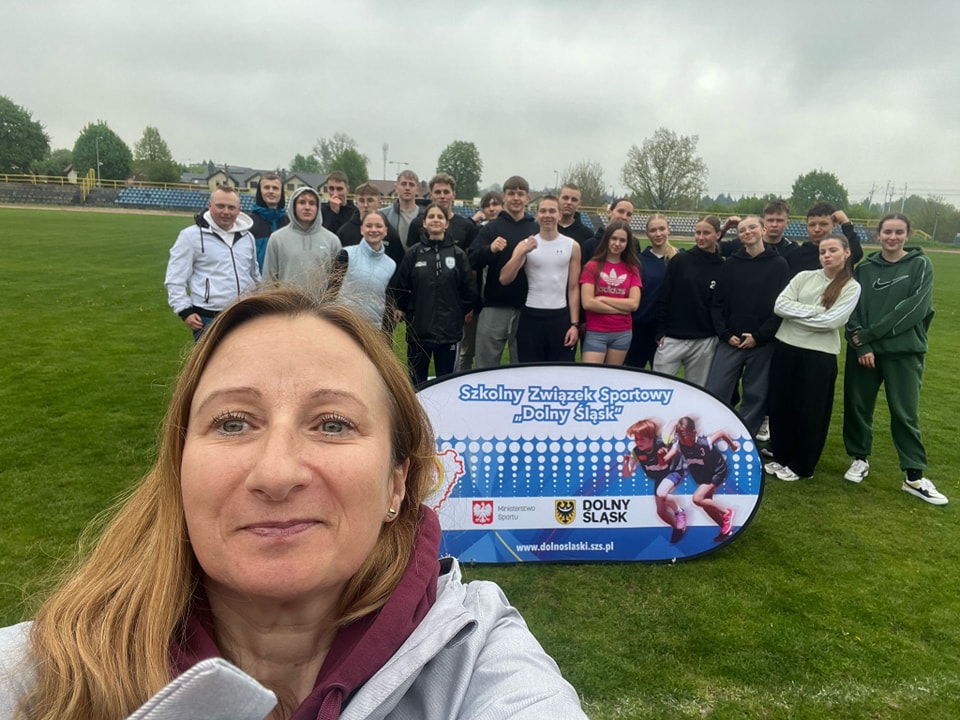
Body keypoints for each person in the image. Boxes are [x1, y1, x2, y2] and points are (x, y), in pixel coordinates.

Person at [0, 286, 587, 719]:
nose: (276, 474)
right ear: (178, 468)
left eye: (332, 424)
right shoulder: (38, 672)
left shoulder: (476, 652)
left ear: (397, 484)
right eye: (233, 423)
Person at [841, 213, 946, 505]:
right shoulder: (865, 268)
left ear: (907, 235)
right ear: (879, 235)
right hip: (865, 353)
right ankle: (859, 458)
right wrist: (862, 346)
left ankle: (914, 476)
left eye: (899, 232)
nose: (893, 237)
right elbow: (851, 308)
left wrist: (870, 335)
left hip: (904, 351)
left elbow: (915, 309)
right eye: (887, 231)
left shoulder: (920, 264)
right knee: (858, 406)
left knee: (905, 412)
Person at [763, 234, 861, 482]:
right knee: (781, 406)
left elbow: (832, 322)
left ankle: (802, 466)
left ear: (847, 252)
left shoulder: (851, 286)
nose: (826, 255)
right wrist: (816, 311)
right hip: (786, 348)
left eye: (832, 250)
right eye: (823, 251)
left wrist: (797, 316)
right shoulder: (804, 277)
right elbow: (780, 306)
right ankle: (782, 457)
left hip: (818, 356)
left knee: (811, 411)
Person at [705, 216, 790, 436]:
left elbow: (781, 306)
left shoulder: (779, 264)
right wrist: (725, 334)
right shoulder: (731, 264)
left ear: (763, 230)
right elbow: (717, 303)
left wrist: (759, 336)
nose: (747, 232)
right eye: (742, 230)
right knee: (716, 389)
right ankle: (714, 431)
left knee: (756, 394)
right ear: (739, 236)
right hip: (730, 341)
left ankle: (744, 436)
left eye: (752, 227)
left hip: (762, 343)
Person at [393, 203, 478, 387]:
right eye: (431, 217)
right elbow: (401, 286)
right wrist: (406, 310)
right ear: (424, 223)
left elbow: (468, 290)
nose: (435, 220)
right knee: (416, 384)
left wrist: (457, 314)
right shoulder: (414, 253)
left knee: (446, 383)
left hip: (449, 334)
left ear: (446, 224)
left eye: (440, 217)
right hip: (418, 333)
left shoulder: (458, 255)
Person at [164, 185, 260, 341]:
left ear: (239, 210)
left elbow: (254, 275)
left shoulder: (247, 237)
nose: (226, 212)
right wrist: (184, 311)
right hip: (208, 318)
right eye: (220, 206)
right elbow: (175, 278)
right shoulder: (190, 236)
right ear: (210, 206)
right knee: (212, 358)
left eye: (231, 207)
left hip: (244, 315)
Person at [499, 195, 581, 363]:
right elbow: (504, 278)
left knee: (560, 371)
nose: (547, 215)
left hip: (560, 317)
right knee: (530, 371)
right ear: (536, 215)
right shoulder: (525, 244)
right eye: (543, 211)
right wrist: (523, 252)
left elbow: (573, 288)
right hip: (531, 317)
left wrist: (574, 324)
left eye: (552, 211)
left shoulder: (572, 246)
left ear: (559, 215)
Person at [468, 176, 539, 368]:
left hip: (527, 307)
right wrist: (489, 250)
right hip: (494, 305)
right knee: (485, 365)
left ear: (527, 197)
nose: (516, 198)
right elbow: (471, 260)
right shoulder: (491, 229)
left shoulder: (535, 228)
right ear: (504, 197)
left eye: (520, 194)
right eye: (511, 193)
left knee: (522, 365)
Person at [652, 215, 725, 388]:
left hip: (704, 341)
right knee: (657, 389)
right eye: (697, 232)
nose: (701, 237)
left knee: (696, 391)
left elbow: (720, 305)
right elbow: (664, 296)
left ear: (717, 234)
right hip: (673, 338)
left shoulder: (722, 267)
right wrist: (660, 332)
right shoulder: (680, 260)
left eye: (706, 233)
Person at [663, 416, 739, 542]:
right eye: (679, 434)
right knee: (706, 504)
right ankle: (726, 529)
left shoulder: (705, 442)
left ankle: (727, 512)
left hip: (717, 471)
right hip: (703, 475)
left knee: (697, 498)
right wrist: (661, 455)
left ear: (694, 432)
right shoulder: (679, 445)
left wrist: (732, 446)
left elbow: (722, 433)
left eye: (684, 434)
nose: (681, 437)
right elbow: (664, 460)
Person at [579, 220, 642, 365]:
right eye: (614, 238)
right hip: (596, 332)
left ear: (627, 243)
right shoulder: (592, 266)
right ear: (607, 239)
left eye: (622, 240)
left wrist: (602, 299)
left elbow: (633, 304)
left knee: (613, 376)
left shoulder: (632, 269)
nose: (617, 243)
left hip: (622, 333)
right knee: (590, 375)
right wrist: (621, 309)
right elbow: (588, 303)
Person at [262, 186, 343, 289]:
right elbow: (268, 280)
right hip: (287, 299)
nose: (307, 207)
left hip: (318, 300)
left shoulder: (332, 241)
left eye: (312, 203)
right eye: (302, 202)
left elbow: (337, 283)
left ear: (317, 208)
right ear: (294, 206)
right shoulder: (277, 239)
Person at [622, 418, 688, 544]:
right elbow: (626, 474)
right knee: (661, 512)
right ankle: (678, 528)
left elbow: (672, 423)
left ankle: (680, 512)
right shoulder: (636, 452)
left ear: (651, 437)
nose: (638, 442)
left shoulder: (663, 440)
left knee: (662, 493)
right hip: (660, 477)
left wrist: (684, 424)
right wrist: (626, 463)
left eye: (642, 439)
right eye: (636, 439)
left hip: (673, 471)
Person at [626, 214, 678, 369]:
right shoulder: (638, 261)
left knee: (660, 378)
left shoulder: (678, 259)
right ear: (647, 233)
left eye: (662, 229)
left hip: (665, 330)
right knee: (633, 374)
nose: (658, 234)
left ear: (668, 230)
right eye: (653, 230)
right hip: (639, 327)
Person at [339, 210, 397, 331]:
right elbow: (332, 289)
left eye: (379, 226)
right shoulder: (346, 255)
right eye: (369, 225)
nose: (373, 230)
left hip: (374, 329)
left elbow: (389, 301)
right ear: (361, 229)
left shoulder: (391, 265)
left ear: (386, 231)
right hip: (344, 325)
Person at [336, 182, 405, 266]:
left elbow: (399, 263)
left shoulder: (390, 233)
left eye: (370, 200)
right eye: (361, 201)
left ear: (379, 203)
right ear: (356, 203)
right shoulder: (345, 232)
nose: (365, 205)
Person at [786, 203, 863, 276]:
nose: (817, 229)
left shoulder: (841, 254)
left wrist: (846, 224)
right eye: (812, 225)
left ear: (833, 225)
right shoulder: (796, 255)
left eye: (823, 224)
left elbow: (857, 253)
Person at [408, 173, 478, 252]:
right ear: (431, 195)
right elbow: (410, 255)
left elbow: (469, 257)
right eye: (438, 192)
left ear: (453, 195)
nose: (442, 196)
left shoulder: (467, 226)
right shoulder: (417, 224)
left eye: (446, 192)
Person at [249, 173, 289, 271]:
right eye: (266, 187)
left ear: (281, 192)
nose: (271, 191)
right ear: (260, 191)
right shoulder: (249, 223)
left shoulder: (288, 222)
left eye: (275, 188)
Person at [581, 198, 636, 264]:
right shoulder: (590, 245)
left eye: (629, 214)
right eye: (621, 211)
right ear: (609, 212)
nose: (624, 217)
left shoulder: (634, 244)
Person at [383, 169, 425, 249]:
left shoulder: (425, 216)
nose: (407, 188)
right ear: (396, 188)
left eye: (411, 185)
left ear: (417, 190)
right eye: (403, 184)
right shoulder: (384, 215)